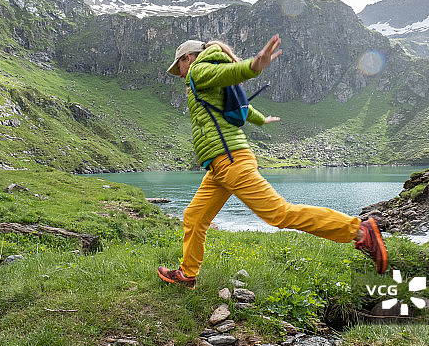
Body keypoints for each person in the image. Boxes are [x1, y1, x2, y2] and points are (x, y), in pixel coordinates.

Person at [156, 35, 388, 290]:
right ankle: (187, 274)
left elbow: (232, 73)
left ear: (188, 58)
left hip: (230, 161)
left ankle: (359, 231)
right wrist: (260, 119)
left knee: (279, 213)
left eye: (179, 66)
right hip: (218, 166)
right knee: (194, 215)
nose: (179, 73)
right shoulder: (205, 78)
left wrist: (254, 65)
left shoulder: (199, 70)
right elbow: (236, 105)